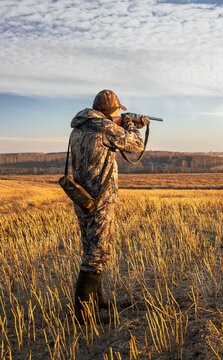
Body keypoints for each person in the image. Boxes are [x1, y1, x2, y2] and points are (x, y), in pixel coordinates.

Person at [69, 89, 148, 320]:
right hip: (100, 198)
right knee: (98, 251)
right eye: (116, 111)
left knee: (91, 248)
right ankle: (84, 315)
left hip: (83, 197)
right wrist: (131, 125)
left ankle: (98, 301)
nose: (118, 114)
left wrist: (123, 123)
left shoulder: (79, 126)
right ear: (108, 112)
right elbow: (135, 145)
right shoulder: (104, 127)